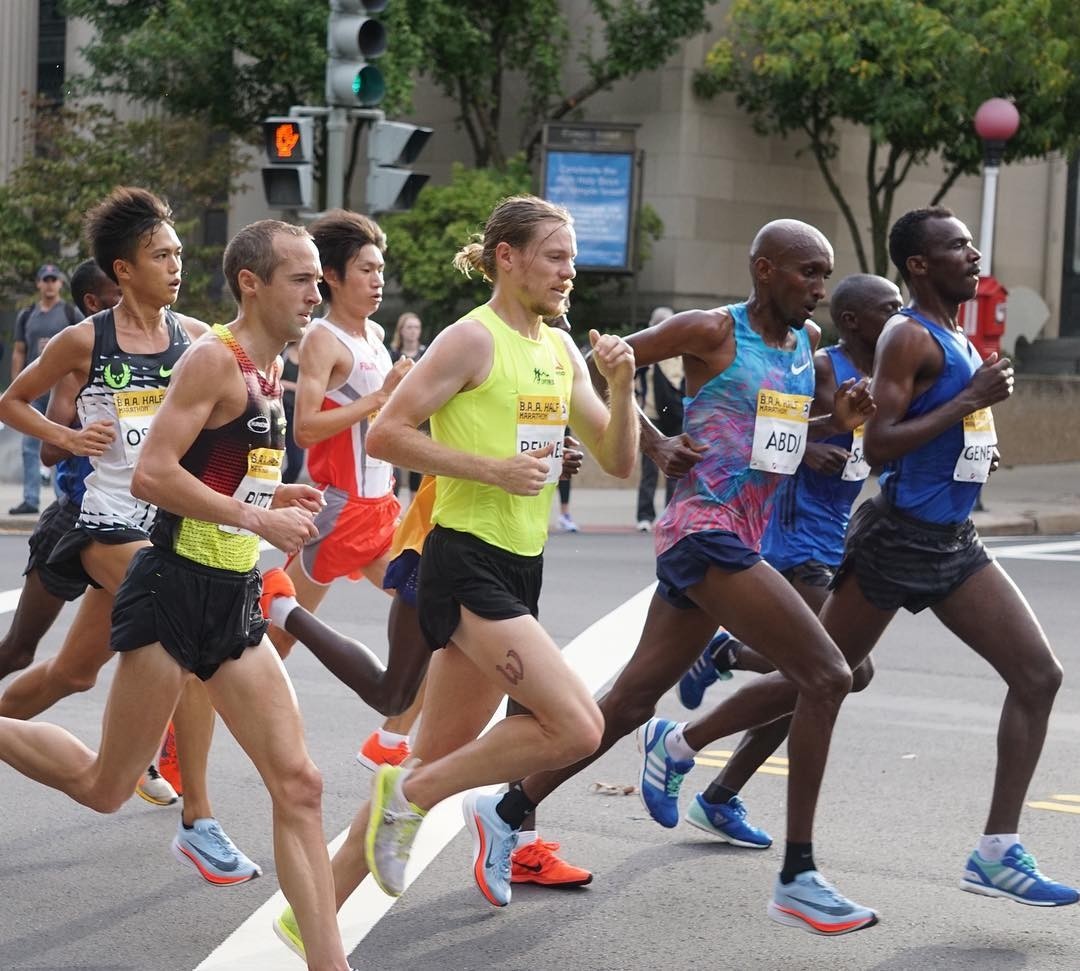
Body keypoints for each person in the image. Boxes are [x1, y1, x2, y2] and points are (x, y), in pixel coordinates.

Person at [664, 207, 1078, 916]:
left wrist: (973, 445)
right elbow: (880, 443)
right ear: (920, 264)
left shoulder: (958, 337)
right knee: (826, 676)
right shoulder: (909, 333)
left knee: (1038, 674)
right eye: (958, 247)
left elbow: (934, 431)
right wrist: (971, 402)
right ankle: (690, 751)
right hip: (895, 540)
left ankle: (997, 851)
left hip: (951, 541)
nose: (974, 255)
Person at [0, 219, 356, 971]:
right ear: (252, 284)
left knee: (301, 783)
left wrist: (272, 488)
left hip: (232, 599)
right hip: (170, 591)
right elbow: (153, 474)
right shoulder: (211, 358)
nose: (316, 293)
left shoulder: (269, 371)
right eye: (302, 278)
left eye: (320, 278)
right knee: (106, 784)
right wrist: (256, 513)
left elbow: (217, 468)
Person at [507, 219, 880, 936]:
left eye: (825, 274)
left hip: (744, 535)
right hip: (701, 531)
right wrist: (652, 439)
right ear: (764, 269)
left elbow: (782, 433)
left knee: (630, 700)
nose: (819, 289)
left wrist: (840, 420)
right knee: (831, 673)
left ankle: (507, 811)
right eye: (808, 272)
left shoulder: (801, 346)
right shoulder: (711, 329)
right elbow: (599, 365)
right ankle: (799, 876)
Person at [357, 193, 638, 910]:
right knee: (578, 725)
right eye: (555, 256)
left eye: (572, 258)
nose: (569, 271)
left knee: (439, 750)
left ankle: (310, 919)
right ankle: (426, 797)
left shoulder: (558, 346)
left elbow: (620, 458)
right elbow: (384, 434)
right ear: (505, 258)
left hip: (522, 561)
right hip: (465, 558)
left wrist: (623, 383)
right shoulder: (471, 338)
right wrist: (492, 469)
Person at [0, 187, 256, 878]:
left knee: (74, 671)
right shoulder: (84, 338)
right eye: (161, 254)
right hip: (106, 523)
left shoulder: (198, 339)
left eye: (178, 252)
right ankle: (199, 818)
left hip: (165, 522)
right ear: (122, 269)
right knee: (192, 629)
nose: (176, 265)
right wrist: (66, 434)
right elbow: (11, 400)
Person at [665, 274, 901, 850]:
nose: (899, 319)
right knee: (843, 672)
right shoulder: (822, 365)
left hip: (833, 537)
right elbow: (768, 431)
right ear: (854, 320)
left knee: (810, 678)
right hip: (791, 538)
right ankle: (688, 736)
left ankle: (719, 795)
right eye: (888, 309)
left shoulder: (892, 374)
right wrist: (809, 450)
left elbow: (880, 446)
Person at [266, 209, 422, 769]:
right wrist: (381, 398)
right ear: (331, 276)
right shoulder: (322, 341)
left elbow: (381, 424)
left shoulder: (377, 336)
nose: (378, 280)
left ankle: (389, 741)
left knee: (431, 616)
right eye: (365, 269)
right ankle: (174, 744)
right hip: (334, 511)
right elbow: (305, 427)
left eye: (381, 269)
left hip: (380, 510)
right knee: (265, 649)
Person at [9, 262, 84, 515]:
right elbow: (19, 351)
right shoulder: (27, 315)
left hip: (63, 390)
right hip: (34, 392)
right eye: (46, 279)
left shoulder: (71, 314)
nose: (50, 283)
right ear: (39, 283)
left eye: (54, 279)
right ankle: (30, 499)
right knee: (29, 448)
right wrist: (15, 384)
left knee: (60, 445)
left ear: (60, 284)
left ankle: (63, 499)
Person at [634, 305, 682, 531]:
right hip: (654, 416)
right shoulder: (650, 353)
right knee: (653, 469)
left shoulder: (677, 355)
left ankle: (655, 516)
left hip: (664, 416)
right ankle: (651, 515)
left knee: (669, 469)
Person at [388, 311, 428, 497]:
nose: (413, 331)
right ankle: (391, 498)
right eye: (409, 327)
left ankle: (412, 504)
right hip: (395, 408)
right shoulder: (392, 354)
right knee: (392, 456)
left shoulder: (427, 353)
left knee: (417, 456)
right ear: (401, 331)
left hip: (420, 410)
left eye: (416, 327)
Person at [281, 340, 305, 484]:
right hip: (279, 410)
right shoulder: (283, 352)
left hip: (297, 414)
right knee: (268, 461)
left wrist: (289, 385)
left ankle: (282, 489)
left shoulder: (311, 356)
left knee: (296, 464)